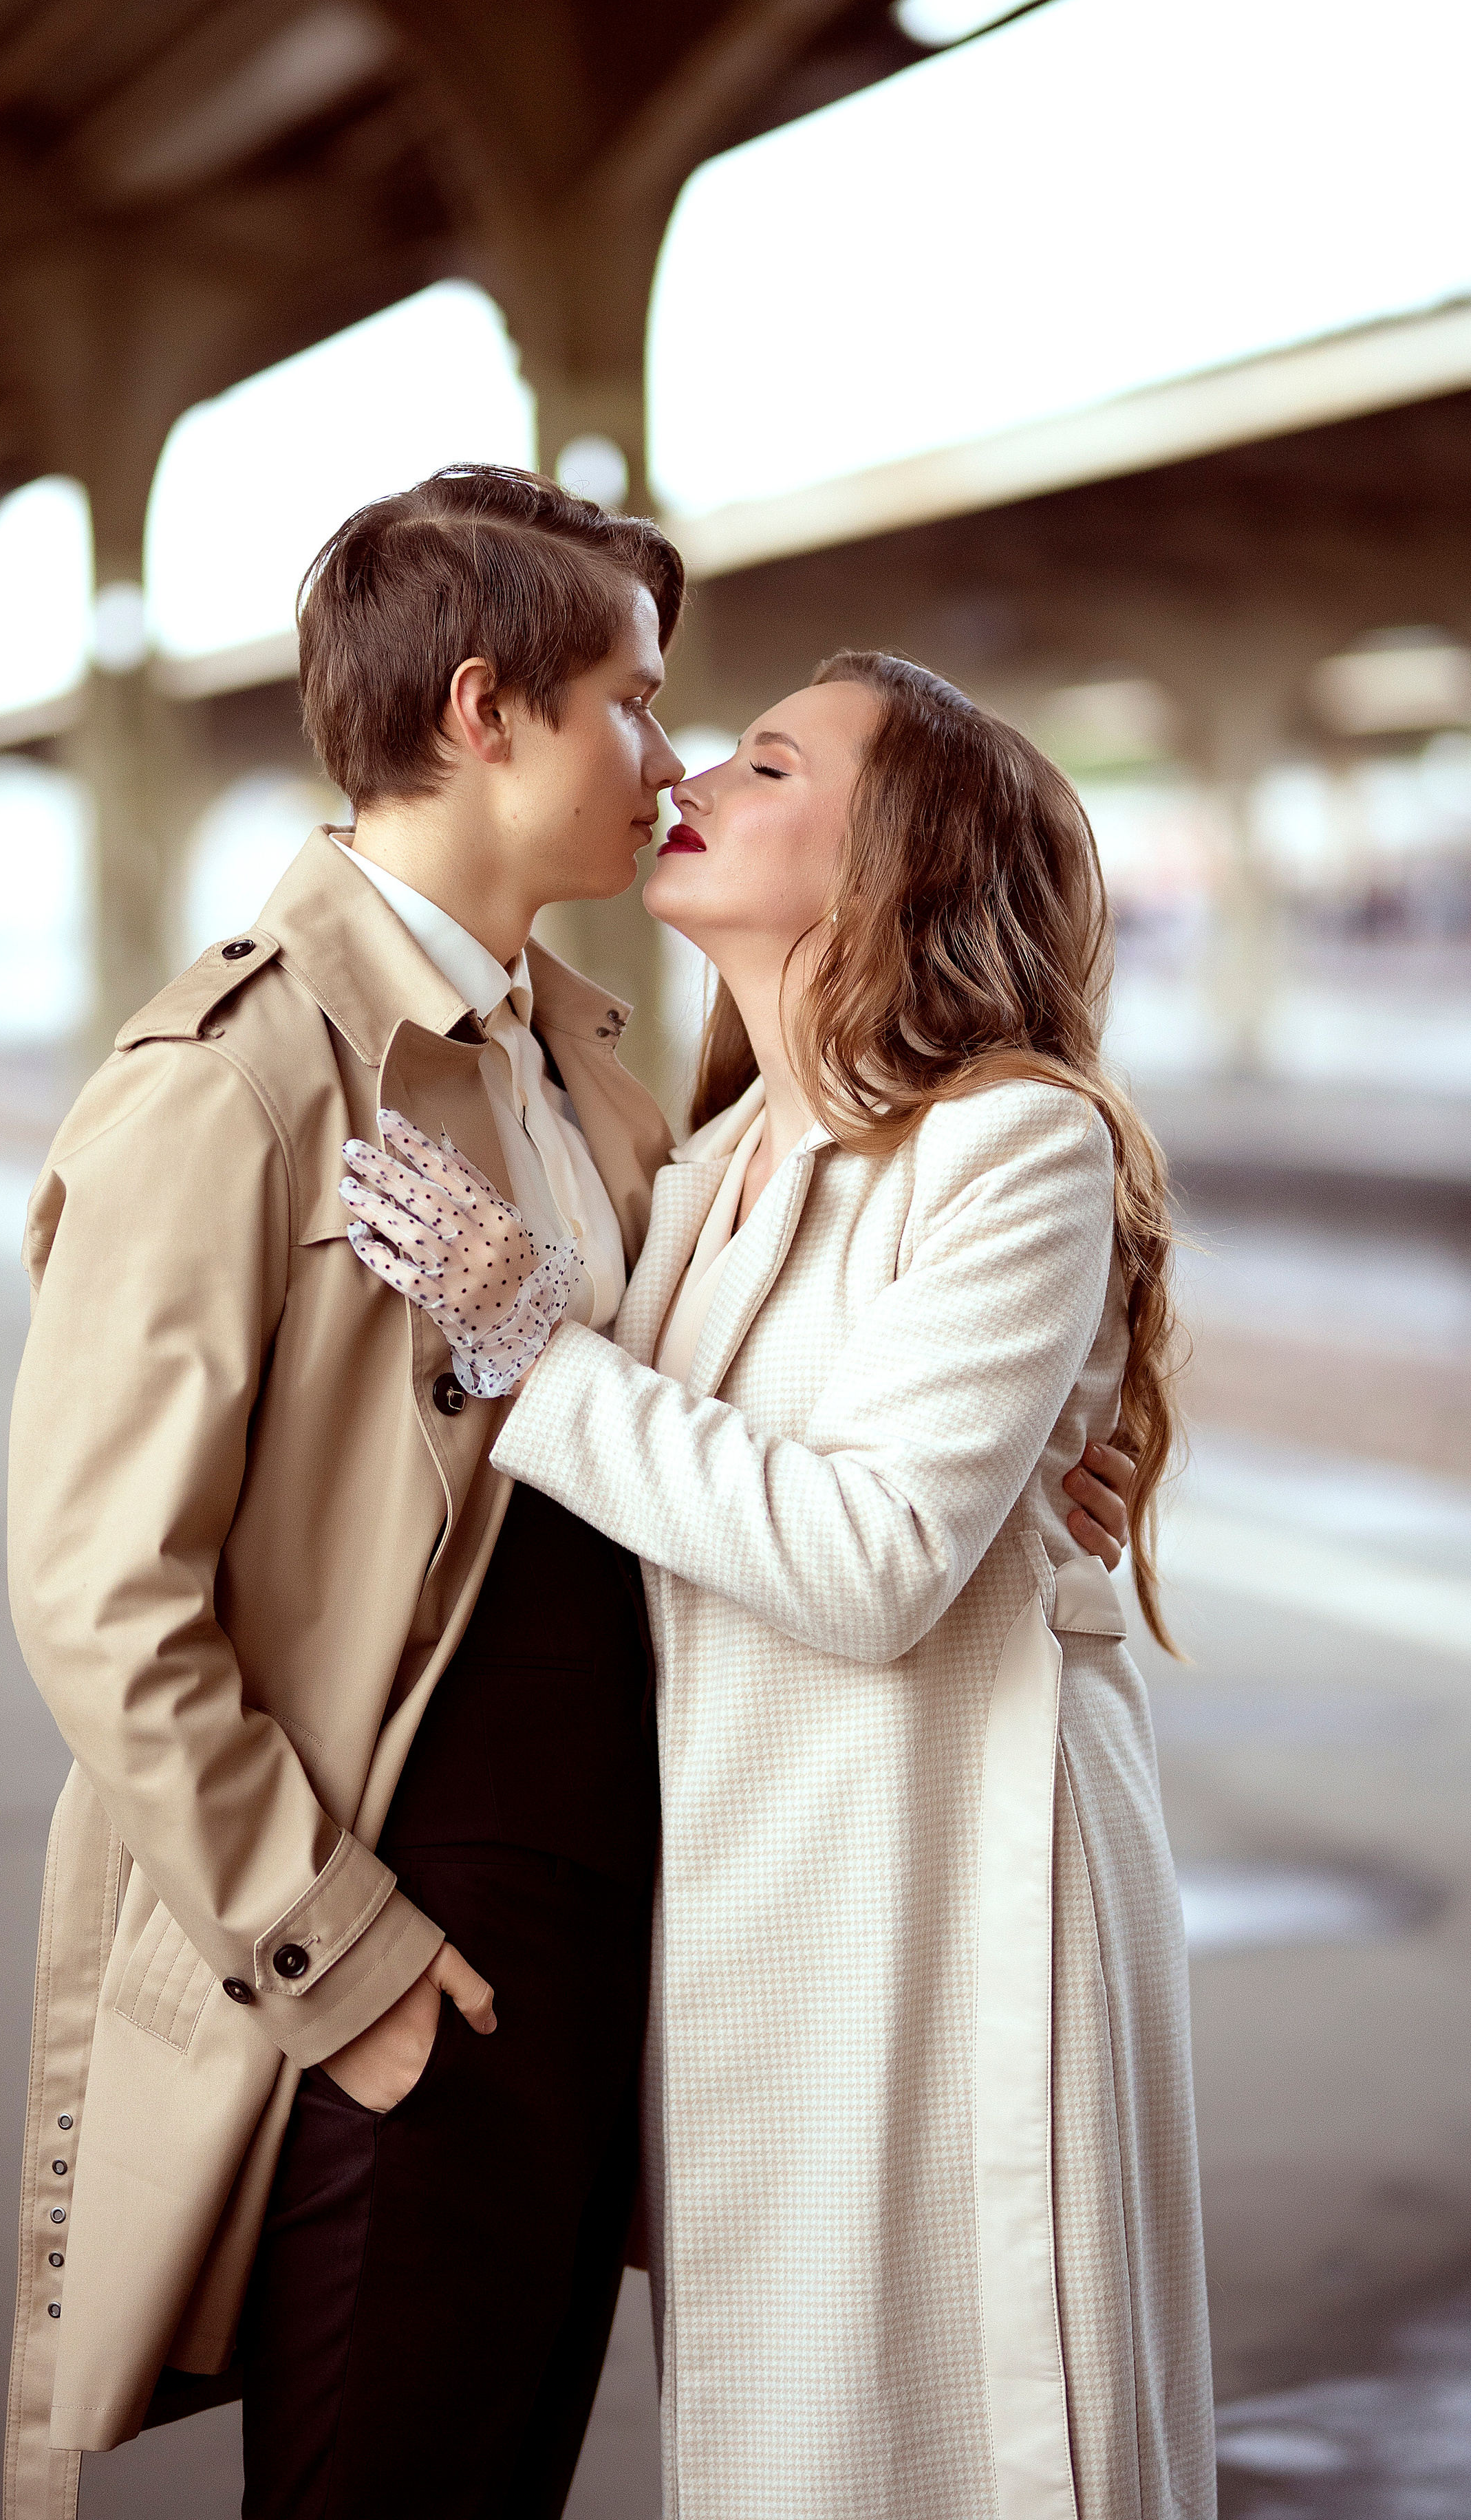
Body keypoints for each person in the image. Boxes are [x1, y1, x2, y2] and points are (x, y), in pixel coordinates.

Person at [0, 466, 1135, 2520]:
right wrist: (337, 1965)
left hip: (623, 1988)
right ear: (480, 709)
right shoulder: (244, 1076)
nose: (673, 757)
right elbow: (104, 1592)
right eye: (637, 699)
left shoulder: (606, 1094)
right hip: (407, 1961)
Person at [343, 651, 1213, 2519]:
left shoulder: (1015, 1143)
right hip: (756, 1919)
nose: (693, 781)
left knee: (972, 2438)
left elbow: (879, 1559)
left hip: (947, 1895)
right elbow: (652, 1511)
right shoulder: (711, 1162)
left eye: (764, 761)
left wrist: (527, 1337)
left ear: (894, 853)